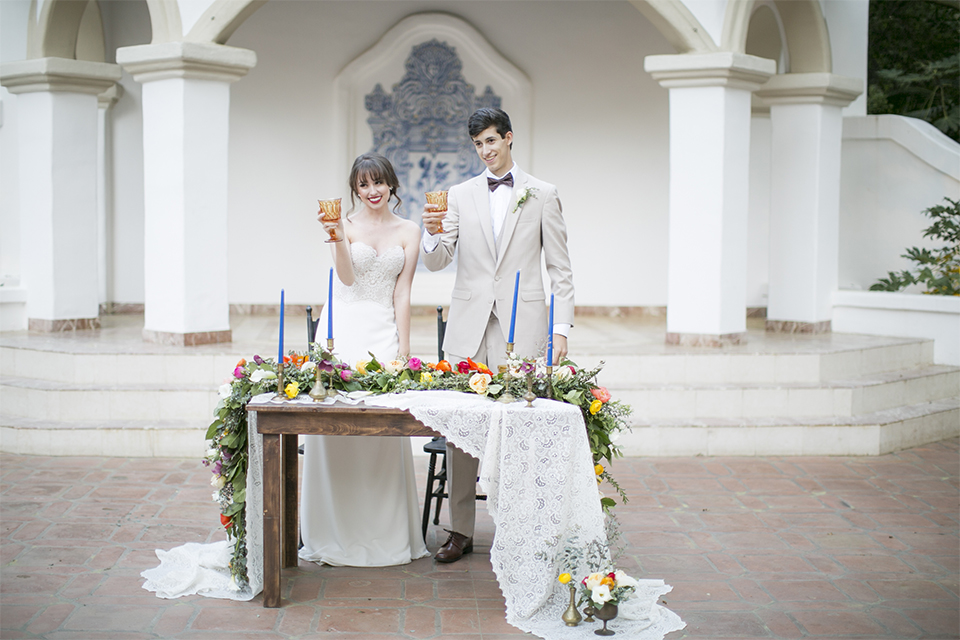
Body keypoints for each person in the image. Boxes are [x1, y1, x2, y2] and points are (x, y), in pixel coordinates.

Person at [421, 108, 575, 563]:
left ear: (508, 138)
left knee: (521, 428)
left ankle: (523, 529)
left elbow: (560, 269)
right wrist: (431, 236)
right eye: (477, 144)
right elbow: (438, 259)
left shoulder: (542, 194)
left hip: (521, 327)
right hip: (468, 327)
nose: (486, 151)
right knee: (460, 432)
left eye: (491, 140)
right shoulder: (458, 194)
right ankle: (460, 531)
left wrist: (560, 328)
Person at [300, 152, 428, 567]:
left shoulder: (410, 229)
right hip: (344, 330)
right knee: (334, 428)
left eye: (379, 183)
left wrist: (404, 348)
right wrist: (336, 238)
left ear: (391, 184)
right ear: (354, 189)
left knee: (382, 433)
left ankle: (385, 533)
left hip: (383, 333)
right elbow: (346, 278)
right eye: (363, 185)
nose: (372, 191)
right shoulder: (344, 224)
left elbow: (403, 292)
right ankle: (332, 531)